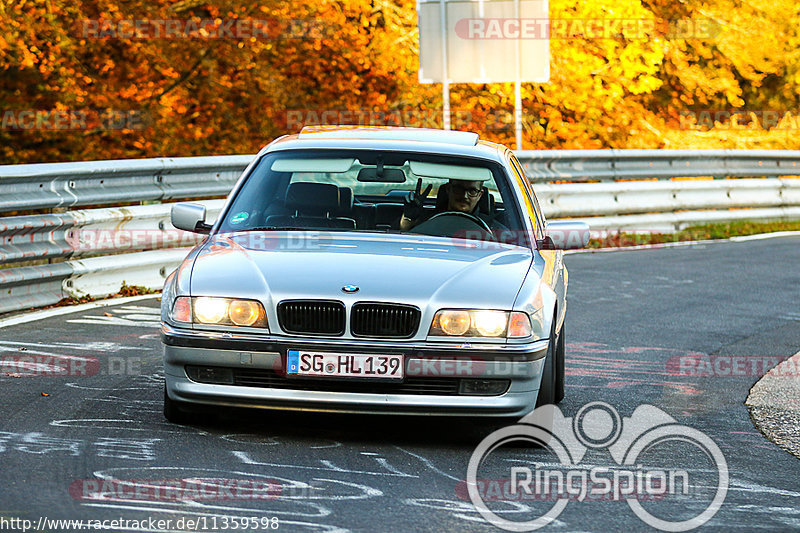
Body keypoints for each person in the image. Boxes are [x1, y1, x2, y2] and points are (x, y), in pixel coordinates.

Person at [400, 178, 500, 232]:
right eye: (458, 189)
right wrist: (408, 218)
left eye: (472, 191)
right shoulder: (426, 220)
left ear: (480, 194)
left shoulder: (493, 229)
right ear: (448, 189)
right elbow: (402, 240)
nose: (464, 196)